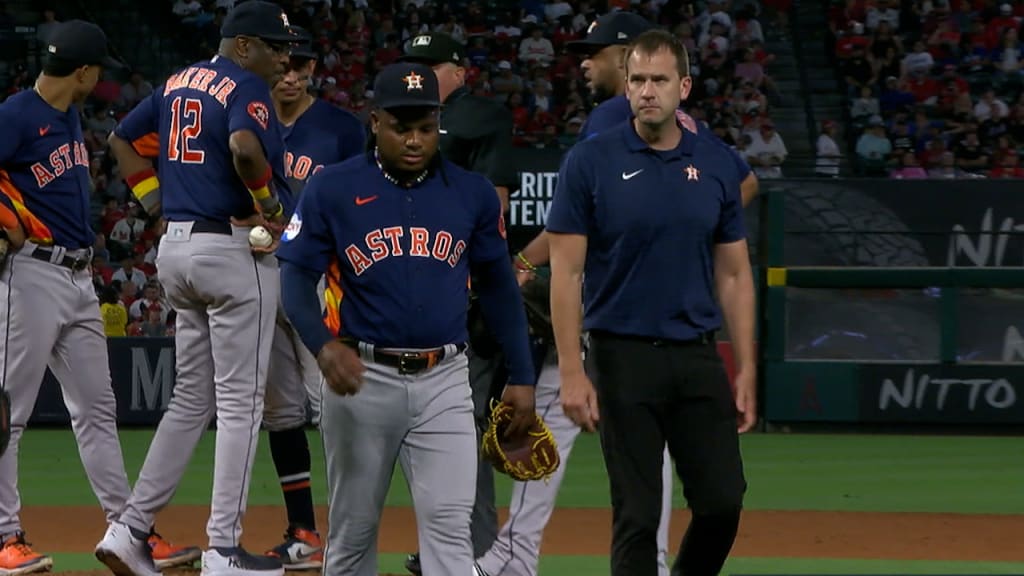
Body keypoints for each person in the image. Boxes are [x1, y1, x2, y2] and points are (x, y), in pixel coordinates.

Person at [276, 62, 536, 576]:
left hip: (446, 381)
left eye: (425, 127)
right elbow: (293, 279)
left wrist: (522, 375)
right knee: (352, 532)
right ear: (375, 122)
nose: (415, 139)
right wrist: (323, 346)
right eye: (402, 126)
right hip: (363, 379)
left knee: (450, 533)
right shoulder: (333, 188)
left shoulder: (473, 193)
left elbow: (501, 290)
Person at [95, 2, 295, 575]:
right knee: (239, 404)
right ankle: (225, 549)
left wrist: (154, 201)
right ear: (241, 45)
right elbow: (245, 149)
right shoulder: (244, 84)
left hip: (177, 250)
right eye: (272, 45)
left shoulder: (177, 81)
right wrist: (272, 206)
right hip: (231, 249)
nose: (282, 56)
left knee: (190, 399)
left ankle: (129, 529)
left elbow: (120, 140)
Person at [548, 29, 757, 575]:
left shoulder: (715, 162)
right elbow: (566, 273)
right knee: (637, 514)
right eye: (637, 79)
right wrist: (572, 369)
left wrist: (747, 367)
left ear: (683, 87)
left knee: (722, 502)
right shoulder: (590, 160)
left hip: (695, 353)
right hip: (621, 355)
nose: (646, 91)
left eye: (659, 80)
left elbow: (735, 273)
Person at [0, 19, 199, 574]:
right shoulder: (17, 114)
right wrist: (9, 220)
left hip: (78, 277)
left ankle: (127, 529)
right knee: (8, 414)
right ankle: (3, 537)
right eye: (98, 73)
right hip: (31, 273)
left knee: (97, 409)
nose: (100, 82)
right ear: (83, 71)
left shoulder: (66, 115)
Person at [394, 32, 519, 574]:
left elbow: (493, 209)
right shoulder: (395, 119)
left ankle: (476, 548)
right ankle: (450, 549)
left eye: (432, 65)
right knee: (416, 428)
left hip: (462, 295)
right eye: (413, 63)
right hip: (404, 290)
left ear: (461, 73)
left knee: (460, 423)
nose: (420, 74)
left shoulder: (481, 117)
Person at [261, 27, 366, 570]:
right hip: (258, 274)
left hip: (321, 279)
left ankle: (349, 533)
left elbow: (368, 198)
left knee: (333, 408)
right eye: (284, 63)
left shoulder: (341, 129)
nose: (291, 73)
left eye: (300, 63)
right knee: (280, 409)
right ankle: (302, 530)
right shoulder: (246, 116)